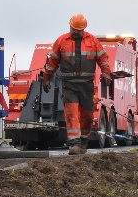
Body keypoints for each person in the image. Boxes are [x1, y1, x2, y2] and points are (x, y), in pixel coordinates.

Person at [42, 14, 112, 155]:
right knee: (72, 112)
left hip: (86, 85)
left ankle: (84, 140)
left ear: (83, 29)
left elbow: (103, 59)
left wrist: (106, 72)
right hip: (69, 85)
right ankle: (74, 143)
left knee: (87, 115)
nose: (75, 31)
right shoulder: (61, 41)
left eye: (78, 30)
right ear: (70, 26)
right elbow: (52, 63)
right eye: (73, 28)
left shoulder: (93, 41)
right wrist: (46, 78)